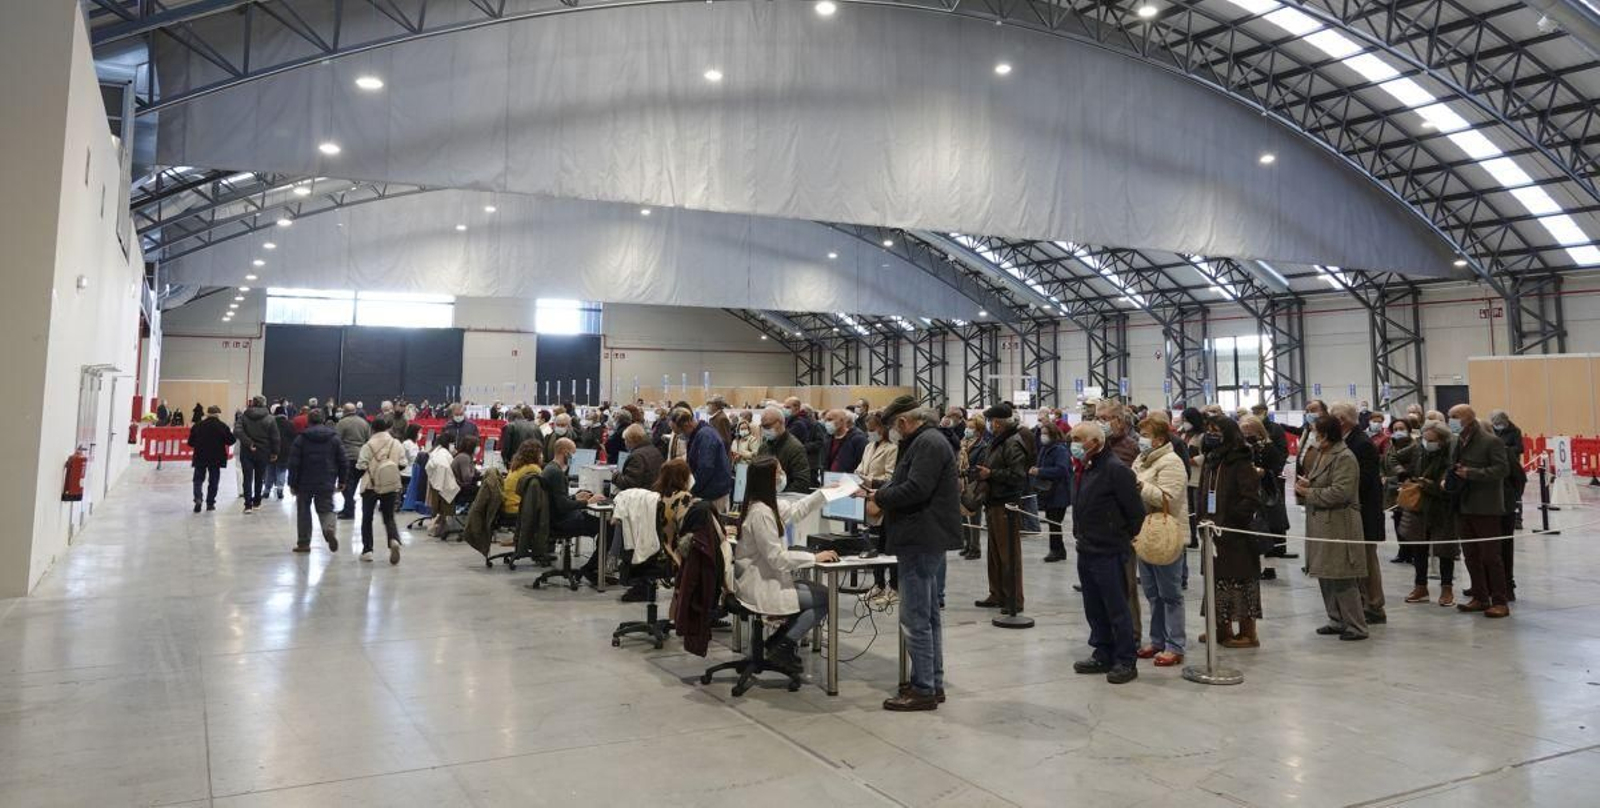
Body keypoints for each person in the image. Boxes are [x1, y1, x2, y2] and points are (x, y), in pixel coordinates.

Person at [866, 397, 961, 710]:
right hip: (922, 537)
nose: (894, 433)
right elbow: (906, 482)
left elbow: (916, 488)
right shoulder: (925, 441)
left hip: (921, 537)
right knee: (928, 615)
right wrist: (878, 487)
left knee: (915, 618)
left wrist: (880, 497)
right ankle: (931, 680)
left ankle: (923, 689)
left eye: (894, 427)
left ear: (904, 422)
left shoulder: (927, 443)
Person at [731, 457, 839, 676]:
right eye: (779, 472)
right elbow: (777, 559)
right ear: (769, 479)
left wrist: (823, 493)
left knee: (821, 593)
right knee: (827, 599)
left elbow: (795, 511)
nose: (782, 475)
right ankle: (783, 644)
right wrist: (814, 558)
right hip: (761, 586)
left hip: (767, 578)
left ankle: (778, 640)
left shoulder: (766, 506)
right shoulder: (761, 513)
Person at [1066, 420, 1146, 684]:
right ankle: (1103, 651)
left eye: (1078, 440)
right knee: (1094, 605)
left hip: (1110, 549)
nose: (1074, 445)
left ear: (1095, 443)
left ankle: (1125, 659)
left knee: (1116, 606)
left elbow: (1135, 512)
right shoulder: (1085, 468)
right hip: (1086, 546)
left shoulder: (1116, 470)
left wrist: (1119, 535)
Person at [1297, 414, 1369, 641]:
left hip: (1340, 523)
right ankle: (1336, 619)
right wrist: (1310, 484)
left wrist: (1309, 493)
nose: (1314, 438)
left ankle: (1356, 625)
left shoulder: (1345, 456)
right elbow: (1325, 482)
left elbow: (1341, 492)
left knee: (1342, 576)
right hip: (1321, 523)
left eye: (1317, 433)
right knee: (1325, 574)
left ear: (1326, 434)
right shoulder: (1323, 454)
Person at [1195, 414, 1264, 647]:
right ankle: (1221, 629)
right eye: (1209, 430)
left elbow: (1251, 498)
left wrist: (1232, 519)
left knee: (1241, 581)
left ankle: (1248, 633)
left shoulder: (1241, 460)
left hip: (1236, 534)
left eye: (1217, 430)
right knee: (1217, 582)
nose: (1212, 434)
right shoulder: (1211, 460)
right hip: (1211, 531)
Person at [1133, 412, 1188, 666]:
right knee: (1152, 592)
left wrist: (1141, 487)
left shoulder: (1171, 462)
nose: (1140, 440)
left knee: (1170, 594)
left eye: (1144, 436)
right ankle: (1157, 640)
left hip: (1167, 534)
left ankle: (1175, 644)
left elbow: (1169, 498)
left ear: (1158, 439)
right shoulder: (1142, 460)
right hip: (1145, 534)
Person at [1450, 404, 1511, 617]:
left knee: (1490, 556)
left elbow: (1502, 469)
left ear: (1467, 418)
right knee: (1471, 555)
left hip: (1486, 507)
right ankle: (1480, 597)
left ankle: (1500, 601)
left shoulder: (1490, 441)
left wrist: (1472, 473)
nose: (1452, 420)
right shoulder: (1459, 441)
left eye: (1455, 417)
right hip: (1463, 506)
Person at [1330, 402, 1387, 625]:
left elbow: (1362, 481)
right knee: (1357, 561)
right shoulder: (1345, 441)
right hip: (1350, 512)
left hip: (1365, 512)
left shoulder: (1361, 444)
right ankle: (1362, 603)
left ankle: (1374, 605)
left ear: (1342, 420)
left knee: (1367, 560)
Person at [974, 403, 1031, 614]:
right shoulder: (998, 441)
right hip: (994, 502)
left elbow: (1018, 477)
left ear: (997, 423)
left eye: (991, 421)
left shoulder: (1013, 443)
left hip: (1007, 505)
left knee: (1009, 555)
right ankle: (997, 593)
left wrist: (991, 474)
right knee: (995, 553)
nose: (989, 424)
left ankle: (1014, 600)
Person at [1402, 421, 1460, 606]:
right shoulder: (1418, 451)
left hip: (1443, 508)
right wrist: (1405, 477)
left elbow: (1448, 486)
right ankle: (1420, 587)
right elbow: (1398, 462)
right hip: (1419, 507)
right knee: (1419, 548)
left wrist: (1426, 484)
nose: (1427, 443)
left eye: (1431, 440)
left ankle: (1447, 588)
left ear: (1442, 440)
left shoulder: (1451, 455)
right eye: (1425, 439)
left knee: (1445, 551)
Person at [856, 411, 900, 605]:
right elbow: (860, 468)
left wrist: (870, 480)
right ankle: (878, 584)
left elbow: (891, 479)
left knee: (888, 547)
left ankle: (894, 587)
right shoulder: (868, 447)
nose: (869, 433)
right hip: (867, 500)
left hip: (884, 503)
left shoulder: (892, 449)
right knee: (873, 546)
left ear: (882, 429)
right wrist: (858, 475)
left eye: (872, 429)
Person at [285, 409, 344, 554]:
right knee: (326, 508)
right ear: (323, 420)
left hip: (304, 482)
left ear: (308, 421)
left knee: (304, 511)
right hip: (327, 479)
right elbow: (343, 460)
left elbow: (293, 463)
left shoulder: (301, 439)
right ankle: (329, 528)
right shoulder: (334, 438)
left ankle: (304, 543)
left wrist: (292, 483)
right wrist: (342, 480)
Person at [1241, 415, 1288, 581]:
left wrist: (1262, 471)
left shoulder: (1268, 447)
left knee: (1268, 530)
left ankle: (1270, 568)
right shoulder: (1242, 448)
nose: (1247, 434)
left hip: (1266, 492)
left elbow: (1277, 468)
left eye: (1249, 431)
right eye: (1244, 431)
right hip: (1248, 492)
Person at [356, 417, 407, 564]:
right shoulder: (396, 443)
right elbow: (403, 464)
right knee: (389, 517)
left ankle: (368, 550)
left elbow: (361, 466)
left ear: (372, 429)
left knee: (367, 518)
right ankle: (394, 540)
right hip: (390, 486)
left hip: (370, 486)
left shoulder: (368, 445)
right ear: (386, 428)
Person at [1490, 409, 1526, 600]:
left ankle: (1507, 585)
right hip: (1487, 506)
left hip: (1507, 498)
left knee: (1505, 545)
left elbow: (1520, 449)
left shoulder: (1515, 431)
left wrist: (1504, 449)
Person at [670, 408, 733, 509]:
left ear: (686, 425)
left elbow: (705, 468)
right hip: (710, 490)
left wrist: (691, 490)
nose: (680, 436)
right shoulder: (699, 434)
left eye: (679, 432)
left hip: (714, 494)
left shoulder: (705, 436)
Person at [1032, 420, 1073, 563]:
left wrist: (1040, 471)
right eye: (1042, 433)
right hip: (1049, 491)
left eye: (1045, 434)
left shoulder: (1060, 450)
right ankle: (1058, 549)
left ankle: (1056, 550)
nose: (1043, 436)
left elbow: (1061, 470)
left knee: (1055, 522)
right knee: (1052, 522)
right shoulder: (1046, 448)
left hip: (1059, 492)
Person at [233, 396, 281, 513]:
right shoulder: (270, 419)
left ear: (253, 403)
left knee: (247, 478)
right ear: (264, 404)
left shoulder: (244, 416)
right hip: (263, 452)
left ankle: (247, 505)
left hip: (247, 451)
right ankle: (257, 502)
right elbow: (275, 437)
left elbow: (237, 431)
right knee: (259, 478)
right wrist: (275, 452)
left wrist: (249, 442)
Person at [186, 405, 236, 513]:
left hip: (200, 456)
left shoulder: (198, 425)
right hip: (216, 458)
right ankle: (210, 503)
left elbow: (190, 443)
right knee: (213, 481)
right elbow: (231, 441)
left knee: (198, 480)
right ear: (218, 414)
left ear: (207, 413)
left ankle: (198, 498)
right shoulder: (222, 426)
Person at [757, 406, 813, 494]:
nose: (765, 430)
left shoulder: (795, 447)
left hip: (786, 501)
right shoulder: (763, 447)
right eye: (763, 426)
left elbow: (802, 482)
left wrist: (780, 497)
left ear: (780, 423)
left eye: (768, 426)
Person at [956, 415, 990, 560]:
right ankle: (967, 544)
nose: (967, 430)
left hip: (974, 484)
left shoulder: (983, 446)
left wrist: (965, 472)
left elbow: (979, 466)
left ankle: (976, 548)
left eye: (971, 428)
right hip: (962, 483)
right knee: (963, 516)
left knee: (975, 518)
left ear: (979, 431)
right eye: (967, 427)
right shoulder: (963, 443)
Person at [334, 403, 371, 519]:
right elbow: (368, 439)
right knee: (352, 484)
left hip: (346, 457)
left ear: (344, 411)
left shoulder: (342, 423)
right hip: (361, 457)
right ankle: (347, 507)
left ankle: (349, 510)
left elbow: (336, 440)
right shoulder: (364, 423)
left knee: (345, 484)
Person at [613, 424, 664, 491]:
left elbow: (629, 484)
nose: (625, 443)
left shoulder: (637, 456)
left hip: (642, 496)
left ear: (631, 440)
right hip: (654, 493)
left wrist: (615, 475)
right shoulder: (654, 450)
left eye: (625, 440)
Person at [821, 409, 868, 475]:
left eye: (830, 420)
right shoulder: (827, 438)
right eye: (825, 420)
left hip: (849, 480)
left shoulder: (858, 439)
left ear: (842, 421)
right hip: (829, 479)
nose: (827, 423)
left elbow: (862, 463)